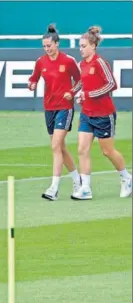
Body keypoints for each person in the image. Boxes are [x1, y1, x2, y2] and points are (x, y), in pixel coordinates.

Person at [72, 26, 132, 200]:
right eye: (80, 46)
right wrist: (73, 92)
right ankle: (85, 188)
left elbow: (112, 84)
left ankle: (126, 178)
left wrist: (89, 94)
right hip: (86, 114)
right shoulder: (81, 64)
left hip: (104, 114)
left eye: (83, 46)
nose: (81, 49)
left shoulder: (100, 62)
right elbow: (82, 83)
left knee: (107, 151)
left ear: (93, 46)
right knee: (82, 149)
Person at [28, 24, 82, 201]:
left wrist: (72, 93)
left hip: (64, 108)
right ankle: (77, 180)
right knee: (60, 147)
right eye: (44, 46)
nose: (47, 49)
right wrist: (32, 84)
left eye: (49, 46)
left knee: (55, 146)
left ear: (57, 44)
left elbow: (81, 80)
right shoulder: (40, 62)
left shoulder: (68, 61)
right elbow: (34, 78)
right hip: (49, 108)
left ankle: (54, 188)